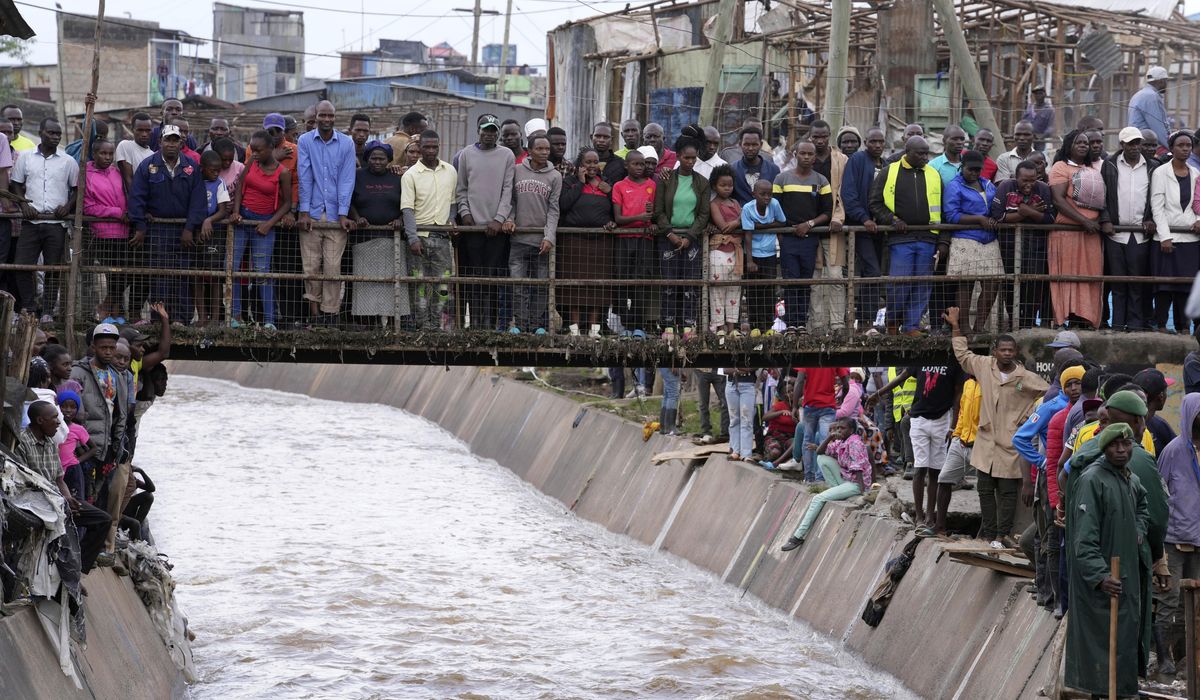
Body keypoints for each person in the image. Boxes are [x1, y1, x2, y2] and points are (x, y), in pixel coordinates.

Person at [947, 306, 1049, 546]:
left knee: (1007, 492)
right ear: (995, 351)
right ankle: (989, 533)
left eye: (1010, 350)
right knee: (984, 489)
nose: (1006, 354)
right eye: (1002, 350)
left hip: (1010, 443)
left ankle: (1003, 535)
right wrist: (955, 327)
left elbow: (1048, 394)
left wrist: (1030, 417)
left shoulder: (1025, 378)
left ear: (1015, 353)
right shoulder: (984, 366)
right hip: (985, 442)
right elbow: (962, 355)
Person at [1063, 423, 1148, 698]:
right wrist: (1100, 576)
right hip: (1104, 585)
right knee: (1103, 654)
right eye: (1115, 445)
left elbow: (1143, 508)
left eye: (1126, 444)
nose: (1121, 450)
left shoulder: (1131, 480)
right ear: (1104, 447)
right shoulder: (1092, 480)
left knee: (1124, 646)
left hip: (1127, 580)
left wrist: (1138, 530)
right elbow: (1083, 540)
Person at [1015, 364, 1083, 609]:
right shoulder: (1054, 409)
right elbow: (1021, 439)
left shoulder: (1088, 410)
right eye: (1070, 384)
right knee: (1050, 539)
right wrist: (1040, 462)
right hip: (1053, 480)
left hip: (1070, 482)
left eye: (1079, 383)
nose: (1075, 389)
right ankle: (1051, 596)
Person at [868, 360, 963, 533]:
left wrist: (953, 425)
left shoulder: (953, 363)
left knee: (936, 471)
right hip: (919, 419)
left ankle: (929, 516)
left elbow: (958, 395)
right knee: (920, 467)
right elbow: (901, 377)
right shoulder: (923, 359)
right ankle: (919, 516)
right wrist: (879, 394)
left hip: (942, 420)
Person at [18, 400, 111, 574]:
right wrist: (60, 502)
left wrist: (68, 498)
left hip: (58, 500)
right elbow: (24, 482)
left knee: (102, 519)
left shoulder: (51, 443)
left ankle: (78, 569)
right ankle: (68, 570)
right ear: (40, 421)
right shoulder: (22, 443)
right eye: (54, 418)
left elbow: (60, 479)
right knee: (65, 523)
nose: (59, 422)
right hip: (37, 502)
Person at [69, 323, 129, 565]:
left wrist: (118, 445)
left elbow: (121, 414)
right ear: (93, 346)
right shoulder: (79, 372)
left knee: (99, 498)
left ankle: (91, 553)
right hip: (84, 448)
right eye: (103, 347)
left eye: (111, 347)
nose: (108, 351)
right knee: (82, 499)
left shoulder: (119, 375)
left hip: (107, 449)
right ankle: (78, 553)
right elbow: (71, 408)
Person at [869, 136, 941, 335]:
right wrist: (892, 220)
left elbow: (941, 207)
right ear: (907, 152)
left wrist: (941, 239)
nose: (925, 157)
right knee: (899, 282)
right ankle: (892, 322)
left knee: (923, 283)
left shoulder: (934, 174)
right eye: (920, 153)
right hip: (901, 238)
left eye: (927, 153)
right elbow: (875, 203)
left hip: (927, 238)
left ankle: (911, 326)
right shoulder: (888, 172)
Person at [10, 118, 78, 321]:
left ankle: (48, 311)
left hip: (56, 225)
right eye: (51, 133)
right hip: (31, 222)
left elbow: (77, 190)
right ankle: (30, 308)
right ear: (40, 132)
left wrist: (67, 207)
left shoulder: (68, 161)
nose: (56, 137)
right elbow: (15, 184)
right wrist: (24, 205)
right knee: (22, 266)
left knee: (53, 269)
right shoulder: (25, 157)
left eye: (58, 134)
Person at [296, 100, 356, 325]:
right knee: (311, 265)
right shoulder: (305, 141)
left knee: (332, 266)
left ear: (335, 117)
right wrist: (303, 211)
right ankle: (314, 315)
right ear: (316, 116)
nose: (327, 120)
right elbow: (305, 176)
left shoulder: (346, 143)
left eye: (331, 116)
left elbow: (347, 179)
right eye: (323, 115)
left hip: (334, 214)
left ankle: (330, 314)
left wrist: (342, 213)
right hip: (311, 212)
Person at [1154, 392, 1200, 678]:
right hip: (1174, 539)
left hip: (1199, 542)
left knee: (1192, 603)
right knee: (1169, 600)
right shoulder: (1173, 451)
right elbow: (1160, 496)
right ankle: (1162, 659)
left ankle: (1187, 662)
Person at [456, 115, 515, 331]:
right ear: (478, 131)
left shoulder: (506, 155)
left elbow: (508, 190)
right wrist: (465, 214)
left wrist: (499, 219)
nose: (488, 134)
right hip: (472, 227)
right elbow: (461, 188)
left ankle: (490, 325)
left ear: (497, 133)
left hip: (496, 230)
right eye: (485, 130)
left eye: (492, 131)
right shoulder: (466, 155)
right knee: (473, 277)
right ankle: (475, 323)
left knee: (492, 277)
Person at [230, 130, 293, 330]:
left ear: (271, 149)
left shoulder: (282, 172)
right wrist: (237, 212)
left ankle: (269, 320)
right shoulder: (251, 163)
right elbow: (240, 185)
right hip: (244, 221)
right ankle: (235, 316)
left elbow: (287, 203)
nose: (254, 153)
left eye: (258, 150)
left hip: (264, 224)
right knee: (232, 266)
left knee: (261, 272)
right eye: (252, 149)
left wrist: (270, 223)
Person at [1048, 130, 1110, 329]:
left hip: (1090, 235)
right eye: (1079, 143)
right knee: (1066, 275)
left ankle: (1084, 318)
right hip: (1068, 233)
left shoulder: (1093, 168)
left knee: (1089, 276)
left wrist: (1095, 222)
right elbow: (1058, 200)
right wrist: (1084, 221)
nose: (1084, 146)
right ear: (1069, 146)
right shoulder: (1061, 167)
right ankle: (1064, 317)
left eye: (1086, 143)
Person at [781, 417, 873, 550]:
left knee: (817, 498)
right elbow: (820, 451)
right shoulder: (842, 441)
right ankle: (836, 490)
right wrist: (830, 437)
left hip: (856, 483)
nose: (839, 431)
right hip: (846, 479)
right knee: (822, 458)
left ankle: (797, 537)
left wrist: (863, 491)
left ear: (852, 430)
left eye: (843, 428)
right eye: (838, 428)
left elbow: (858, 468)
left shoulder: (854, 443)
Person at [773, 141, 833, 334]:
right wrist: (783, 234)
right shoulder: (781, 179)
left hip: (810, 238)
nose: (806, 157)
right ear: (795, 154)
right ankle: (790, 323)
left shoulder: (822, 181)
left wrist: (810, 224)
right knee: (790, 281)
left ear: (815, 157)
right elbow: (776, 209)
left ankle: (801, 323)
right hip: (788, 238)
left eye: (810, 154)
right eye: (803, 153)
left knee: (806, 282)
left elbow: (827, 212)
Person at [504, 134, 561, 334]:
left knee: (540, 287)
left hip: (541, 242)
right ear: (529, 150)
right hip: (518, 239)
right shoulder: (517, 171)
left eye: (547, 149)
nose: (545, 152)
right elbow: (510, 201)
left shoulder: (555, 176)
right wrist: (509, 219)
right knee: (518, 286)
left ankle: (537, 326)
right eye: (540, 149)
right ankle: (519, 325)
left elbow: (554, 209)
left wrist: (549, 236)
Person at [1101, 126, 1156, 332]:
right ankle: (1117, 325)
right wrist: (1105, 219)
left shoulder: (1151, 166)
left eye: (1137, 143)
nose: (1135, 147)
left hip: (1140, 234)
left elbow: (1155, 197)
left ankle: (1134, 326)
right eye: (1130, 143)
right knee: (1117, 283)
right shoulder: (1109, 165)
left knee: (1137, 283)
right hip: (1116, 233)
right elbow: (1103, 196)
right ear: (1122, 144)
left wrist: (1150, 218)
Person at [402, 130, 457, 332]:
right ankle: (422, 325)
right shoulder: (410, 175)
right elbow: (407, 208)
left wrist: (451, 219)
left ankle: (436, 324)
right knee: (419, 285)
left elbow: (452, 203)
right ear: (420, 148)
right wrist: (412, 238)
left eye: (435, 147)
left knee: (442, 285)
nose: (431, 151)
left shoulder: (450, 171)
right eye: (427, 147)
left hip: (442, 238)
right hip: (420, 239)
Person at [653, 141, 708, 336]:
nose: (691, 161)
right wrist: (670, 234)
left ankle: (688, 325)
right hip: (668, 237)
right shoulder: (666, 179)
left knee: (690, 283)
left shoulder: (702, 182)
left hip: (691, 238)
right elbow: (658, 211)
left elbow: (703, 214)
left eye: (694, 158)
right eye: (687, 158)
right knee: (669, 282)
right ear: (678, 157)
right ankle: (668, 325)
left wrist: (690, 236)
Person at [348, 139, 406, 326]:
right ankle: (368, 323)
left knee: (392, 283)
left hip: (392, 239)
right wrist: (357, 218)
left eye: (382, 158)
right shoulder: (358, 176)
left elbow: (407, 203)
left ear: (389, 159)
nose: (377, 162)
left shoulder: (397, 177)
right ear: (367, 158)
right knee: (366, 284)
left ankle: (392, 324)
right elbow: (349, 200)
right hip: (364, 239)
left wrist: (400, 220)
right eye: (373, 158)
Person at [943, 150, 1001, 332]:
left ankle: (979, 327)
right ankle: (965, 327)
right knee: (966, 284)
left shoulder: (988, 184)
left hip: (989, 239)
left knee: (993, 283)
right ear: (962, 167)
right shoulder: (954, 186)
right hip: (965, 239)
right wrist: (978, 219)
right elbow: (951, 215)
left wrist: (993, 218)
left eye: (978, 170)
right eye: (971, 170)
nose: (974, 173)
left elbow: (997, 206)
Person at [992, 160, 1055, 328]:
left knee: (1034, 285)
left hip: (1036, 246)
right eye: (1024, 180)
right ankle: (1013, 321)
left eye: (1032, 180)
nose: (1029, 184)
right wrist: (1029, 210)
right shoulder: (1006, 186)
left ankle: (1028, 323)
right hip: (1009, 245)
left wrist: (1026, 211)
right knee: (1010, 284)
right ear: (1015, 177)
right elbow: (998, 217)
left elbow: (1050, 219)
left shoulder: (1043, 188)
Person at [558, 147, 612, 336]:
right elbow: (563, 205)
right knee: (575, 287)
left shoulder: (605, 184)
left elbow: (616, 209)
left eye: (595, 162)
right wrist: (580, 184)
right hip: (574, 243)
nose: (592, 166)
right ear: (580, 165)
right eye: (588, 162)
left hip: (600, 245)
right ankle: (574, 329)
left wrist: (610, 191)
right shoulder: (569, 182)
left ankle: (594, 329)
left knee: (597, 287)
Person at [1150, 130, 1200, 333]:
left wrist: (1199, 220)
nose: (1185, 149)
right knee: (1164, 286)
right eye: (1181, 145)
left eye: (1188, 145)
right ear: (1171, 148)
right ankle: (1161, 326)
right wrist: (1165, 236)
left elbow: (1198, 203)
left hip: (1190, 238)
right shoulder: (1160, 172)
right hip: (1165, 238)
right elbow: (1157, 207)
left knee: (1186, 286)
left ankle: (1183, 327)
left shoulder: (1196, 173)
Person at [806, 120, 849, 334]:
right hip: (810, 228)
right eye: (816, 137)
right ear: (810, 137)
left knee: (835, 277)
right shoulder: (805, 158)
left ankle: (838, 324)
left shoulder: (841, 160)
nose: (820, 141)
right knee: (815, 279)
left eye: (824, 136)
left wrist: (838, 218)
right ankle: (817, 325)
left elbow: (844, 191)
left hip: (834, 227)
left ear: (829, 135)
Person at [842, 127, 887, 331]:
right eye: (873, 141)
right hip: (862, 226)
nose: (877, 145)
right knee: (872, 271)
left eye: (880, 142)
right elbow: (849, 193)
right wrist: (863, 218)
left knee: (876, 273)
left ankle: (869, 322)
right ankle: (864, 322)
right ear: (865, 142)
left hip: (881, 227)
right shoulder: (858, 160)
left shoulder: (885, 164)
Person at [82, 139, 130, 323]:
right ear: (94, 154)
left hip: (124, 231)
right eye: (103, 153)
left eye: (110, 154)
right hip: (103, 233)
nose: (107, 157)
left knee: (123, 273)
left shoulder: (116, 172)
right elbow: (88, 207)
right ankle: (113, 313)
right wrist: (117, 213)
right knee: (113, 273)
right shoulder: (86, 174)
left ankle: (109, 308)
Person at [611, 148, 656, 337]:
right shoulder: (619, 186)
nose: (639, 167)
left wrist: (651, 220)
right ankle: (625, 325)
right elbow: (618, 218)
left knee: (641, 281)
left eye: (642, 164)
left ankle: (639, 325)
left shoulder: (652, 185)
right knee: (622, 280)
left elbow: (656, 213)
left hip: (644, 240)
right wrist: (640, 216)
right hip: (624, 239)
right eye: (635, 164)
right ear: (626, 165)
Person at [779, 366, 849, 482]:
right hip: (828, 406)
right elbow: (846, 384)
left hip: (810, 405)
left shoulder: (808, 356)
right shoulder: (835, 356)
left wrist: (795, 406)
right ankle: (821, 479)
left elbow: (800, 381)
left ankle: (809, 478)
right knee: (824, 442)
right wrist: (841, 400)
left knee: (807, 441)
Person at [933, 374, 981, 534]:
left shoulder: (990, 384)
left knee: (987, 488)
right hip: (961, 441)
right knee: (944, 479)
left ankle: (986, 531)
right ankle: (939, 526)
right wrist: (956, 433)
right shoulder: (968, 383)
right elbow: (962, 412)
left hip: (980, 444)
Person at [740, 178, 785, 333]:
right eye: (763, 194)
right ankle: (755, 326)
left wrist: (762, 226)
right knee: (752, 291)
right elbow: (748, 233)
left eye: (769, 194)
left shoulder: (774, 205)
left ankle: (768, 326)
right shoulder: (747, 208)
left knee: (768, 291)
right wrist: (750, 260)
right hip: (753, 253)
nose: (767, 198)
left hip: (770, 253)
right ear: (754, 194)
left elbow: (782, 222)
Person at [706, 164, 744, 334]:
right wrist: (738, 221)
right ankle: (719, 327)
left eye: (730, 185)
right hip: (719, 252)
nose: (727, 188)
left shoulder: (735, 202)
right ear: (714, 185)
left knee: (734, 290)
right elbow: (723, 226)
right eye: (723, 185)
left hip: (736, 252)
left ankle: (732, 327)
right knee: (717, 290)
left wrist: (740, 221)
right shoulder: (713, 204)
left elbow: (746, 220)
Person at [196, 151, 231, 326]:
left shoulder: (219, 183)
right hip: (196, 232)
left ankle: (216, 317)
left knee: (215, 275)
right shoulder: (195, 182)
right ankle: (202, 316)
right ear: (202, 168)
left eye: (218, 170)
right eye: (212, 170)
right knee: (196, 275)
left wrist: (209, 220)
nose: (216, 173)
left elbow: (223, 210)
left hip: (214, 233)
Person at [732, 126, 780, 205]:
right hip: (740, 215)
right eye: (746, 144)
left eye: (754, 145)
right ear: (740, 144)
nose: (750, 148)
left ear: (761, 145)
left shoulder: (773, 170)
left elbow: (776, 198)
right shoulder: (733, 169)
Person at [1130, 66, 1172, 148]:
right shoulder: (1152, 96)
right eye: (1166, 81)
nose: (1166, 84)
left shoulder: (1140, 94)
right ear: (1161, 81)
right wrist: (1171, 148)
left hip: (1136, 142)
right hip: (1146, 143)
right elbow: (1158, 127)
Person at [724, 367, 757, 461]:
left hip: (748, 385)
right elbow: (725, 370)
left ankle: (746, 453)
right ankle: (736, 451)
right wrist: (743, 370)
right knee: (734, 419)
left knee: (747, 420)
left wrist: (736, 370)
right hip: (732, 384)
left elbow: (754, 367)